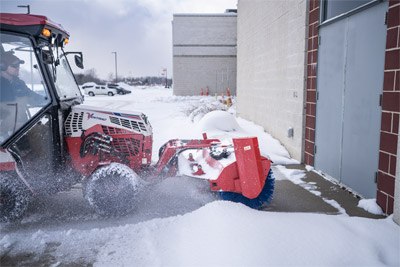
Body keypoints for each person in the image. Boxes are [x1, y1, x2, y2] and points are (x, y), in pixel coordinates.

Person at [0, 52, 47, 143]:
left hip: (21, 125)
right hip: (5, 133)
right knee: (37, 134)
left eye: (18, 65)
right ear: (2, 66)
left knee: (46, 130)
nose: (18, 68)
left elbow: (33, 97)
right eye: (14, 65)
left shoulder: (19, 83)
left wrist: (48, 99)